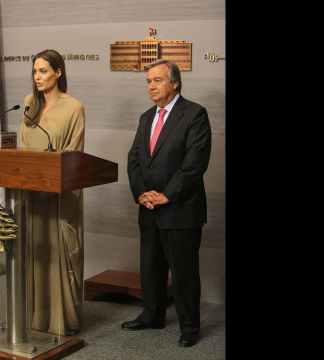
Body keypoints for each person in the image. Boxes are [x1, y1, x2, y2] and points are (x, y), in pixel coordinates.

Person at [124, 59, 212, 347]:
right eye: (148, 81)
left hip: (180, 208)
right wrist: (141, 193)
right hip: (148, 207)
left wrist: (167, 194)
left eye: (157, 80)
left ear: (175, 83)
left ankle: (189, 327)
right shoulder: (146, 117)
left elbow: (195, 163)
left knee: (184, 272)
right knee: (151, 268)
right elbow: (134, 159)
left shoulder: (195, 114)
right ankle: (152, 316)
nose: (151, 86)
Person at [20, 49, 85, 336]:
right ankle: (36, 318)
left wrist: (50, 182)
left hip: (59, 195)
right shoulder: (28, 104)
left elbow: (74, 153)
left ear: (58, 73)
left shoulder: (74, 107)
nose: (37, 76)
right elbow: (22, 149)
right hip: (31, 193)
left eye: (43, 70)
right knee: (35, 254)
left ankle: (61, 320)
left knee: (58, 253)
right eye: (35, 71)